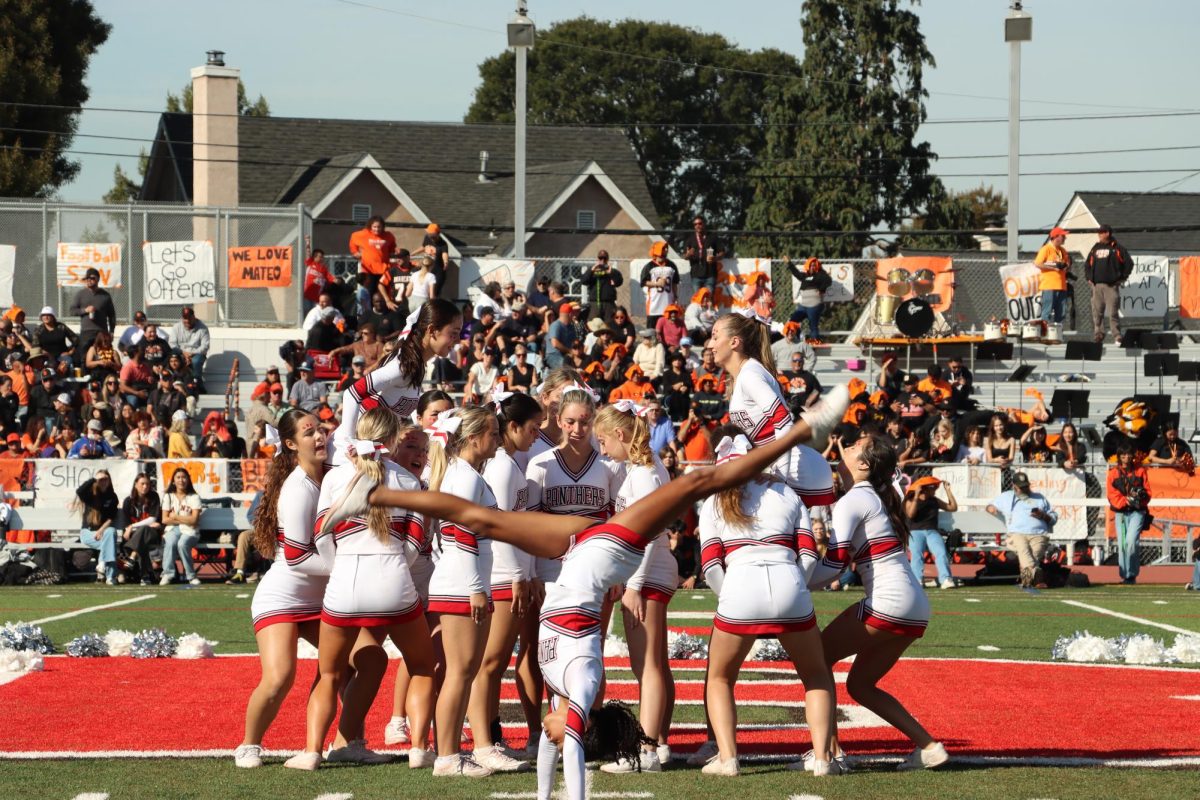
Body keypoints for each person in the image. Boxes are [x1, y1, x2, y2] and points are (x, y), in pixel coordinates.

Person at [316, 380, 848, 800]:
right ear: (584, 720)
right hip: (606, 549)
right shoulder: (582, 683)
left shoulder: (560, 688)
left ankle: (373, 496)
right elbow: (567, 751)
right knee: (696, 483)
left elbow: (553, 752)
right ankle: (803, 431)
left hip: (576, 548)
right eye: (564, 727)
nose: (550, 731)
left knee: (482, 518)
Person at [285, 409, 435, 771]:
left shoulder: (335, 478)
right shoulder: (407, 480)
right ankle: (418, 748)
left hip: (345, 584)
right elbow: (416, 542)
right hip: (393, 580)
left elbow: (321, 534)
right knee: (422, 666)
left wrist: (342, 566)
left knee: (329, 673)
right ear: (394, 439)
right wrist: (393, 563)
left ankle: (311, 751)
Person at [804, 433, 948, 773]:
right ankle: (929, 747)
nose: (846, 447)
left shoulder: (854, 499)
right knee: (860, 685)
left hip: (890, 600)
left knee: (817, 658)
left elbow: (835, 563)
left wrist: (795, 582)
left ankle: (830, 753)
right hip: (914, 606)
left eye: (853, 446)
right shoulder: (870, 497)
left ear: (864, 464)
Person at [697, 432, 835, 777]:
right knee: (816, 674)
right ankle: (822, 760)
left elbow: (711, 565)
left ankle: (728, 759)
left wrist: (730, 597)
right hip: (788, 581)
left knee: (720, 678)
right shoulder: (786, 492)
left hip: (740, 586)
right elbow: (808, 555)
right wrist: (794, 589)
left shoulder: (714, 500)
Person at [235, 410, 331, 769]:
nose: (319, 437)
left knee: (352, 663)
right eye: (309, 433)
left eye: (321, 430)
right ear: (290, 444)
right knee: (279, 677)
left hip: (320, 598)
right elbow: (297, 558)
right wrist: (347, 569)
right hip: (283, 596)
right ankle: (249, 744)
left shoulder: (331, 475)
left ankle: (328, 742)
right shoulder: (297, 488)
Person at [594, 402, 678, 774]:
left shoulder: (644, 473)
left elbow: (648, 532)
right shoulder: (644, 468)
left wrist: (634, 585)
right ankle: (656, 744)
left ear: (621, 434)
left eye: (603, 440)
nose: (601, 449)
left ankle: (646, 750)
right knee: (653, 663)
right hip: (651, 571)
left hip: (648, 573)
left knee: (646, 666)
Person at [422, 406, 502, 777]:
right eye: (493, 433)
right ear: (473, 439)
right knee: (459, 672)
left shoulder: (461, 472)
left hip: (460, 580)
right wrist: (476, 589)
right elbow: (463, 533)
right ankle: (448, 756)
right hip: (460, 584)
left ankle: (451, 753)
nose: (498, 439)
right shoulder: (465, 475)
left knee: (462, 672)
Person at [471, 393, 544, 772]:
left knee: (494, 663)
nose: (537, 435)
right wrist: (519, 575)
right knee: (490, 663)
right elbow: (501, 529)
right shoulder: (502, 467)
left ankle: (490, 739)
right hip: (501, 574)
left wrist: (528, 572)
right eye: (532, 428)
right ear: (512, 427)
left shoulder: (511, 465)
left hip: (512, 573)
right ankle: (484, 742)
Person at [709, 311, 842, 509]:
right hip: (784, 471)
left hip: (799, 474)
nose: (710, 345)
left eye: (715, 336)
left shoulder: (750, 375)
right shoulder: (745, 375)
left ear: (734, 342)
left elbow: (784, 422)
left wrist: (779, 477)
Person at [331, 299, 463, 465]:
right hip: (347, 458)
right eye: (454, 333)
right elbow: (352, 393)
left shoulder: (415, 364)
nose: (458, 340)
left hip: (370, 456)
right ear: (432, 331)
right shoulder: (403, 365)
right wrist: (349, 443)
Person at [987, 471, 1057, 588]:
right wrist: (991, 508)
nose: (1025, 489)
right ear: (1014, 486)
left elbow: (1053, 518)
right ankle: (1036, 575)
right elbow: (990, 506)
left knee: (1033, 556)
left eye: (1026, 486)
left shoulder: (1040, 498)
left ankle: (1026, 580)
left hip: (1039, 535)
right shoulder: (1006, 496)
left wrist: (1043, 516)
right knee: (1024, 550)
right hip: (1017, 534)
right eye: (1021, 487)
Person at [1107, 443, 1151, 585]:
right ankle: (1125, 575)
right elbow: (1111, 495)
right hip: (1121, 513)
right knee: (1123, 545)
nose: (1126, 458)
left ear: (1133, 456)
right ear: (1119, 456)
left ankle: (1131, 575)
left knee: (1131, 542)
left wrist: (1141, 497)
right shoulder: (1113, 473)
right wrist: (1127, 500)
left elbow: (1148, 492)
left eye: (1129, 454)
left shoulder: (1140, 471)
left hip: (1137, 511)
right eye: (1123, 455)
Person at [904, 477, 957, 590]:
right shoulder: (910, 499)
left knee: (941, 552)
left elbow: (952, 507)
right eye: (932, 487)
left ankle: (946, 579)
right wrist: (916, 497)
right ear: (925, 489)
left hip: (932, 531)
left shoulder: (934, 500)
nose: (935, 490)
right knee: (917, 554)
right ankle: (917, 579)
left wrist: (948, 490)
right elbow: (910, 515)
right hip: (915, 531)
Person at [1085, 224, 1132, 345]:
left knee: (1113, 312)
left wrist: (1122, 277)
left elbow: (1129, 263)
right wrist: (1089, 278)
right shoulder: (1095, 248)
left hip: (1111, 286)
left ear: (1108, 233)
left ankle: (1117, 336)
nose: (1099, 235)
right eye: (1099, 232)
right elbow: (1087, 265)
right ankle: (1099, 334)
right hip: (1097, 286)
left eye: (1102, 232)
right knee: (1097, 312)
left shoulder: (1117, 248)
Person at [75, 470, 120, 584]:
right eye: (101, 480)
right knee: (111, 542)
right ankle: (110, 575)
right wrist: (94, 479)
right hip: (88, 533)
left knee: (111, 532)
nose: (103, 482)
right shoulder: (90, 494)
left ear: (109, 481)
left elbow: (111, 518)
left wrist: (101, 530)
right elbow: (79, 491)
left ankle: (103, 566)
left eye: (106, 479)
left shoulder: (112, 497)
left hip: (103, 533)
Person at [160, 467, 203, 586]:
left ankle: (191, 575)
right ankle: (167, 574)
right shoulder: (168, 496)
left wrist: (175, 516)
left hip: (191, 530)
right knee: (170, 542)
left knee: (182, 544)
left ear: (188, 480)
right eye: (178, 477)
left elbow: (194, 520)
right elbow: (164, 519)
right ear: (173, 481)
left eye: (184, 477)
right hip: (172, 529)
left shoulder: (194, 497)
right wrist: (185, 519)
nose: (181, 480)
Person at [350, 215, 398, 316]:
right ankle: (370, 315)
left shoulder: (388, 235)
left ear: (383, 227)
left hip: (383, 269)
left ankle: (384, 314)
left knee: (384, 292)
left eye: (379, 227)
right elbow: (353, 240)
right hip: (369, 270)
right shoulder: (363, 234)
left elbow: (393, 247)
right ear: (370, 227)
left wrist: (395, 251)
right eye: (374, 227)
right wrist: (355, 252)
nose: (376, 229)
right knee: (370, 293)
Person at [122, 473, 163, 586]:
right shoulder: (128, 501)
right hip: (135, 538)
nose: (145, 486)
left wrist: (132, 526)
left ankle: (132, 557)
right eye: (142, 484)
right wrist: (129, 527)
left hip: (153, 535)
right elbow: (126, 524)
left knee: (144, 531)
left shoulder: (154, 496)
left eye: (148, 484)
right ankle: (145, 577)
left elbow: (152, 519)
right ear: (135, 484)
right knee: (142, 541)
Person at [69, 267, 117, 356]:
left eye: (92, 278)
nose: (89, 280)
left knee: (104, 355)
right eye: (87, 278)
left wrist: (112, 331)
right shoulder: (80, 294)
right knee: (84, 357)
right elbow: (72, 311)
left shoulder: (105, 295)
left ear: (98, 279)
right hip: (86, 332)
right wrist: (85, 310)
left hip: (102, 332)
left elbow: (112, 315)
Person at [786, 257, 833, 341]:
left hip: (814, 305)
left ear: (817, 266)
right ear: (807, 266)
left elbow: (828, 281)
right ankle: (798, 339)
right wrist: (789, 263)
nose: (812, 267)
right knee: (793, 321)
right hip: (803, 305)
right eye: (810, 265)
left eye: (814, 265)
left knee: (813, 326)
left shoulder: (820, 275)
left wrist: (822, 289)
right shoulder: (805, 275)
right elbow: (796, 273)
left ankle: (815, 344)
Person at [1035, 227, 1071, 324]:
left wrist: (1066, 266)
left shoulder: (1063, 250)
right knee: (1046, 313)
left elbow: (1067, 264)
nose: (1065, 238)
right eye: (1063, 236)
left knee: (1061, 313)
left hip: (1062, 286)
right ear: (1055, 237)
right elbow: (1037, 263)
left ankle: (1057, 336)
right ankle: (1045, 335)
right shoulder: (1046, 249)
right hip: (1049, 286)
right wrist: (1053, 267)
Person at [640, 241, 680, 328]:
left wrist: (676, 296)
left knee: (667, 328)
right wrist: (656, 284)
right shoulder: (649, 266)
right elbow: (643, 282)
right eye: (662, 250)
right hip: (654, 304)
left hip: (668, 303)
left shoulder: (671, 265)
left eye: (666, 250)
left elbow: (674, 283)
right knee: (652, 330)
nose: (665, 252)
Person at [578, 250, 623, 322]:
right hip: (594, 303)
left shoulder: (612, 271)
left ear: (607, 259)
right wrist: (592, 270)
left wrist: (611, 272)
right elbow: (583, 281)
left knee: (610, 324)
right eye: (600, 258)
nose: (602, 260)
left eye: (604, 258)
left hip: (608, 304)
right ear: (597, 259)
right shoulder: (592, 271)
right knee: (594, 324)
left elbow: (619, 282)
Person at [171, 307, 210, 388]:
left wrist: (191, 354)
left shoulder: (203, 328)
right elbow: (172, 343)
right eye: (185, 318)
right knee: (172, 358)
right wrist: (183, 353)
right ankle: (173, 382)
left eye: (189, 318)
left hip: (196, 353)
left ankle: (198, 384)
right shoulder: (176, 327)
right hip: (181, 353)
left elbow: (205, 346)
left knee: (196, 361)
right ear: (182, 318)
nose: (187, 321)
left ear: (194, 317)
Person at [543, 303, 578, 372]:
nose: (574, 316)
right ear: (570, 314)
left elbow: (575, 342)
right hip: (553, 355)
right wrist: (569, 351)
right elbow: (555, 343)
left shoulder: (571, 327)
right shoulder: (556, 325)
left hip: (568, 354)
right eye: (573, 314)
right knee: (565, 368)